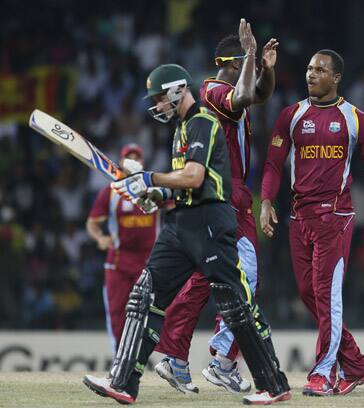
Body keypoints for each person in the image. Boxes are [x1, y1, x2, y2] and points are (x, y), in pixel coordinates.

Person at [82, 63, 290, 405]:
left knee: (234, 302)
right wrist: (155, 195)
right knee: (145, 294)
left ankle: (274, 385)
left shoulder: (202, 122)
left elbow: (193, 177)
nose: (158, 105)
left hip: (210, 222)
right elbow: (180, 186)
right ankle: (122, 381)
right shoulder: (180, 130)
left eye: (161, 97)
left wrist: (150, 179)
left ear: (179, 89)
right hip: (182, 224)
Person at [154, 19, 279, 395]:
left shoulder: (225, 90)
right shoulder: (214, 91)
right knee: (246, 277)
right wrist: (254, 55)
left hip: (223, 194)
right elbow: (244, 97)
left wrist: (266, 68)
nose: (255, 72)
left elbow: (258, 94)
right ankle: (223, 360)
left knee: (204, 277)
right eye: (249, 64)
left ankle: (176, 356)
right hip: (229, 195)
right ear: (234, 62)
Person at [260, 49, 364, 396]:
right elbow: (273, 164)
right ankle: (359, 366)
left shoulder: (355, 118)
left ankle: (323, 373)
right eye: (308, 68)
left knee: (326, 295)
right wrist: (267, 202)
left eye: (320, 69)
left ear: (336, 78)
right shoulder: (291, 114)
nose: (311, 74)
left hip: (336, 217)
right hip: (298, 217)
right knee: (309, 294)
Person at [86, 143, 160, 352]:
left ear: (143, 163)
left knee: (149, 314)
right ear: (120, 163)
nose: (133, 161)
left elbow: (175, 205)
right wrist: (100, 237)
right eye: (129, 157)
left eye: (138, 157)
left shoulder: (154, 189)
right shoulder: (110, 193)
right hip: (117, 263)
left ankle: (141, 358)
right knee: (117, 315)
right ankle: (118, 358)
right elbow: (92, 223)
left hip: (147, 264)